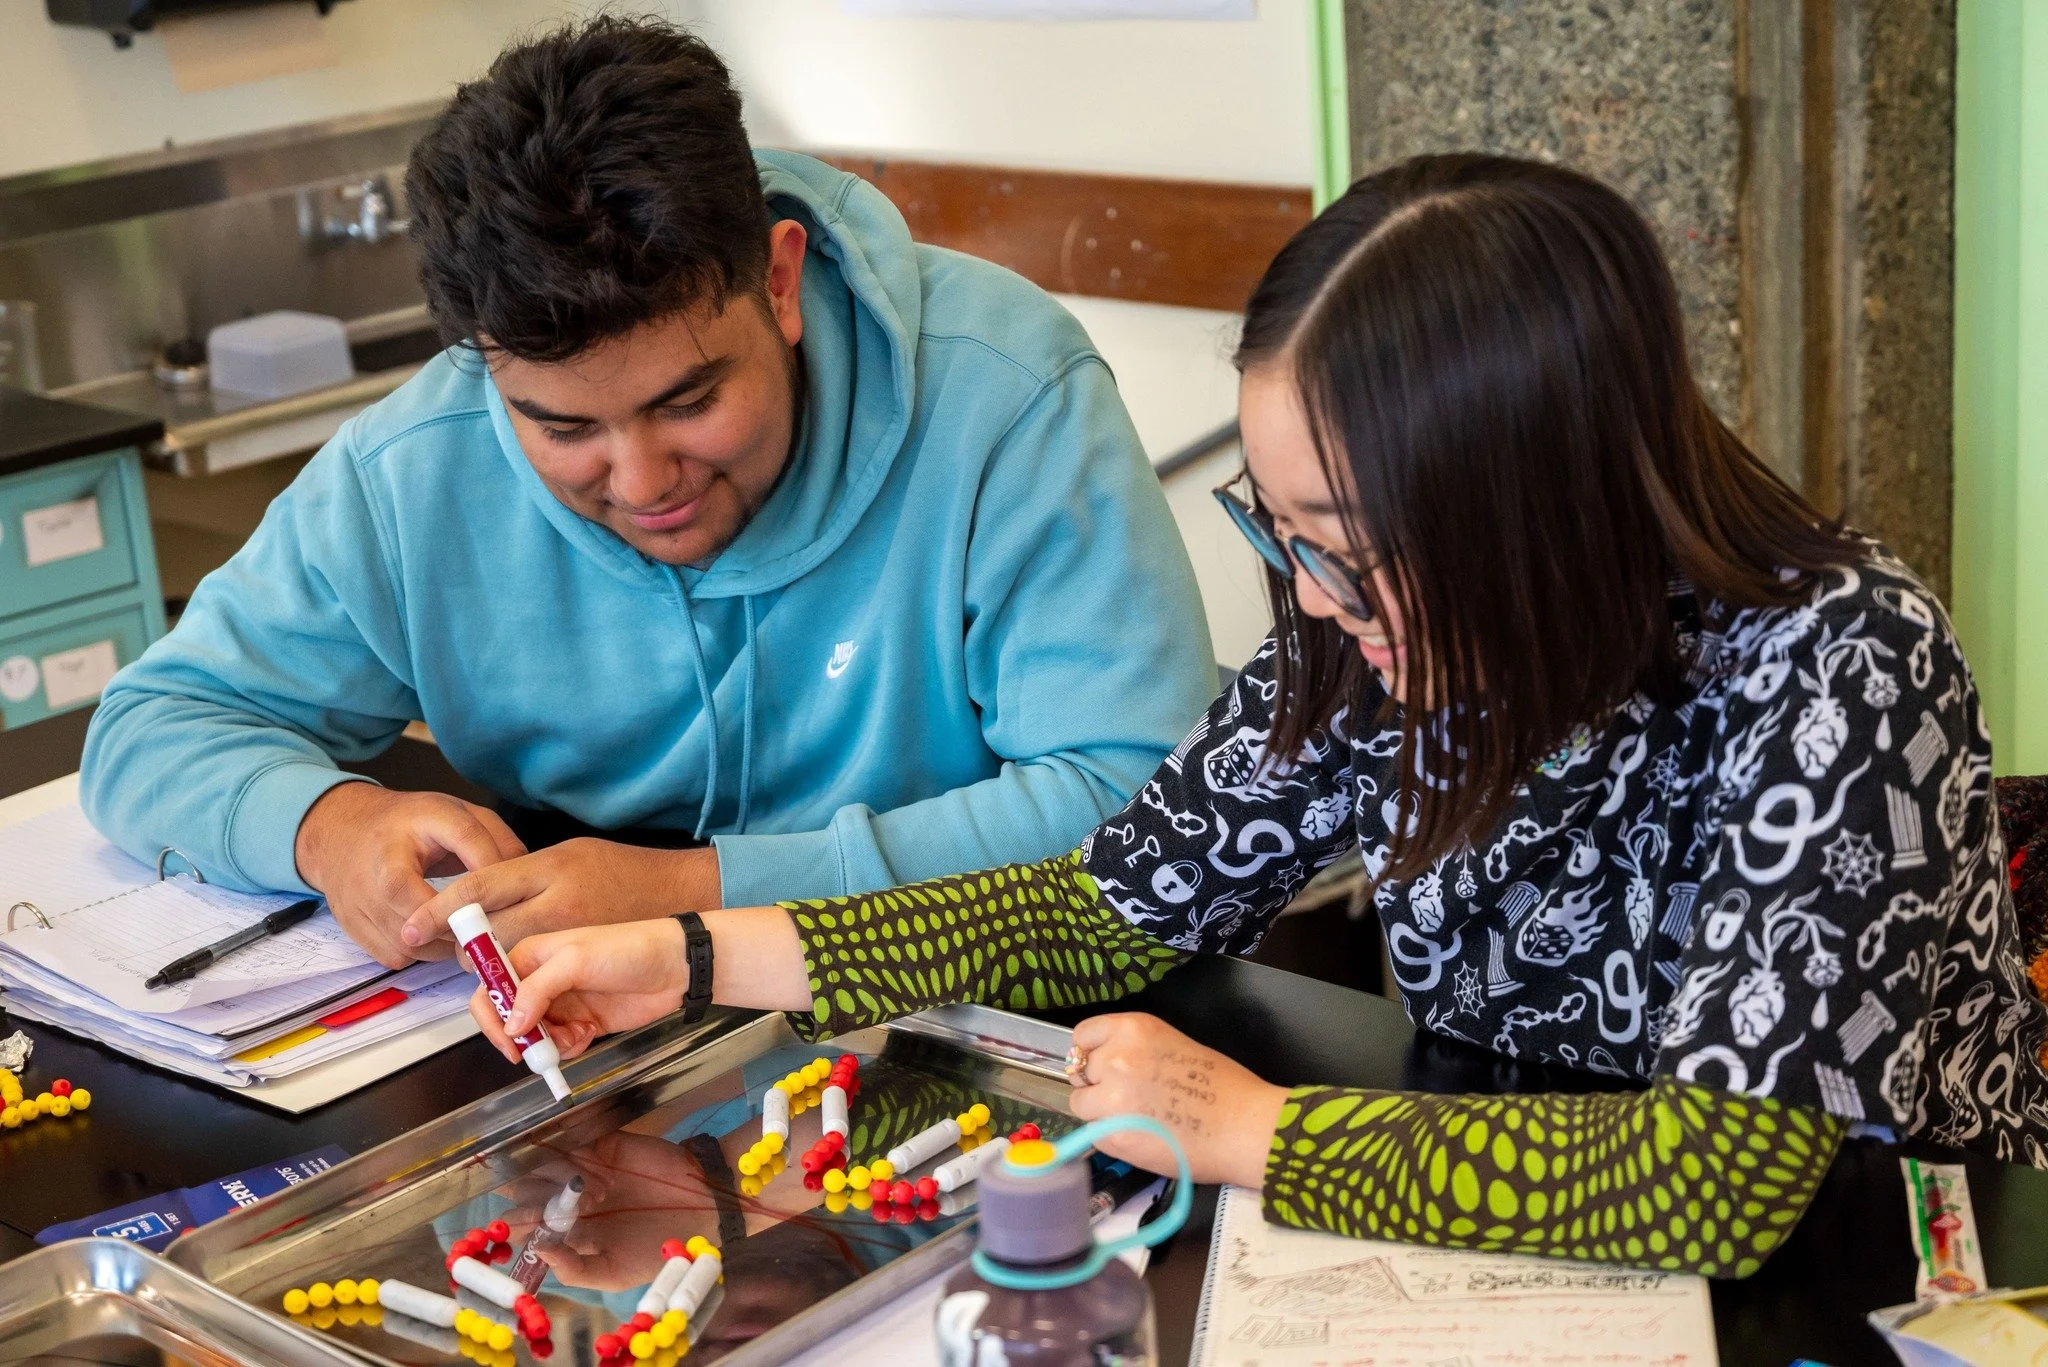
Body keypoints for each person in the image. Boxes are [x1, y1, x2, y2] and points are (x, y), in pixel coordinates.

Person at [455, 153, 2048, 1278]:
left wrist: (1258, 1129)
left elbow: (1723, 1179)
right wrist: (698, 957)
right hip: (1502, 1228)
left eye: (1349, 546)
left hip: (1877, 1275)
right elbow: (1102, 906)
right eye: (1281, 531)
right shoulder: (1364, 625)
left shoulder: (1839, 663)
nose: (1314, 596)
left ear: (1537, 508)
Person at [79, 17, 1214, 968]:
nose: (641, 481)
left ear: (779, 281)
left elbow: (1137, 804)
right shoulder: (415, 465)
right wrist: (330, 826)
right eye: (562, 427)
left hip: (977, 992)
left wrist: (693, 897)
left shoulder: (1006, 393)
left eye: (690, 399)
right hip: (589, 1028)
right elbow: (151, 728)